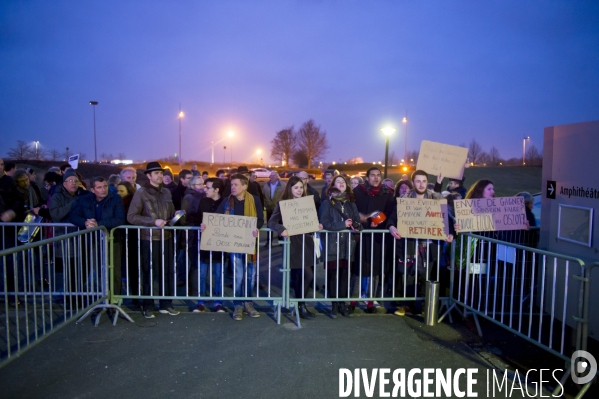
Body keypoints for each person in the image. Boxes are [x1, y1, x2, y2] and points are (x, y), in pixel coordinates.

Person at [201, 173, 263, 321]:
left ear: (245, 186)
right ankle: (237, 305)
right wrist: (206, 226)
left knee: (250, 276)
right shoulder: (226, 202)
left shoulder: (254, 200)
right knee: (238, 276)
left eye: (236, 184)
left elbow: (260, 219)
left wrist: (257, 228)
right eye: (231, 184)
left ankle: (248, 303)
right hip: (234, 245)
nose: (232, 187)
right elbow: (216, 219)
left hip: (249, 246)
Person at [127, 161, 179, 318]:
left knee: (167, 272)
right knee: (148, 272)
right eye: (156, 173)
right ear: (148, 176)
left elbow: (169, 215)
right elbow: (131, 216)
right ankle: (148, 305)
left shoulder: (167, 193)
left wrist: (176, 217)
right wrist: (153, 222)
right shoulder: (141, 192)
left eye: (161, 173)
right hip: (148, 239)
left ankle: (166, 304)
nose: (160, 175)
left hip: (166, 237)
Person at [268, 176, 322, 320]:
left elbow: (312, 220)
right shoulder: (283, 204)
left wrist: (318, 225)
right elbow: (271, 222)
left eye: (301, 187)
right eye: (296, 187)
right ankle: (301, 306)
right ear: (290, 189)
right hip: (294, 245)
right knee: (307, 275)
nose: (299, 190)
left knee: (302, 277)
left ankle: (300, 306)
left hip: (307, 243)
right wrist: (281, 229)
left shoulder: (307, 203)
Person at [69, 177, 126, 298]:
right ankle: (101, 298)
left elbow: (120, 218)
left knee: (114, 272)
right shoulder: (85, 199)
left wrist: (98, 224)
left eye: (105, 186)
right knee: (97, 271)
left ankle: (114, 300)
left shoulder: (115, 198)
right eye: (99, 187)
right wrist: (85, 222)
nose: (103, 189)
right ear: (92, 189)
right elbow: (74, 216)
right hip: (92, 241)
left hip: (112, 239)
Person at [351, 167, 396, 313]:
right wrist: (362, 219)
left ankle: (370, 302)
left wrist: (381, 223)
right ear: (367, 177)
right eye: (372, 175)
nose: (375, 178)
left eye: (378, 175)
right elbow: (352, 210)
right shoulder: (358, 191)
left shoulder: (387, 194)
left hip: (378, 236)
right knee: (358, 269)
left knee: (375, 270)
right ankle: (353, 300)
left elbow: (391, 214)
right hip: (361, 235)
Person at [320, 175, 360, 318]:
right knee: (333, 276)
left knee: (344, 275)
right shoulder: (327, 204)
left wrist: (357, 227)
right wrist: (342, 225)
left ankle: (342, 303)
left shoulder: (351, 204)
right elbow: (324, 223)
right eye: (338, 182)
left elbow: (357, 221)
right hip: (332, 244)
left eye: (343, 182)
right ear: (333, 186)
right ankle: (334, 304)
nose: (341, 183)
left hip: (347, 245)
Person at [190, 178, 225, 312]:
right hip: (204, 243)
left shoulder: (226, 202)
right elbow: (198, 218)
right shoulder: (203, 201)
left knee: (218, 274)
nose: (205, 190)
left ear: (216, 190)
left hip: (220, 244)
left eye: (208, 187)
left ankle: (218, 302)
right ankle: (200, 302)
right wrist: (199, 224)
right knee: (202, 274)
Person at [116, 181, 140, 303]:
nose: (119, 193)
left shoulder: (133, 203)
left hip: (132, 238)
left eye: (122, 191)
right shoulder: (115, 202)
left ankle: (135, 297)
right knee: (117, 269)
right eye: (117, 191)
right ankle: (117, 296)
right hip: (117, 239)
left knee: (133, 269)